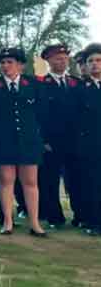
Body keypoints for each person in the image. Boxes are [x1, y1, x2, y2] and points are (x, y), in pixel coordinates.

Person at [0, 48, 48, 237]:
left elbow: (43, 113)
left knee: (30, 182)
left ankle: (34, 223)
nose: (5, 66)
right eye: (2, 62)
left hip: (28, 141)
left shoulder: (33, 85)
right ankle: (8, 221)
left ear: (20, 65)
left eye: (10, 62)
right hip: (3, 142)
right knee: (5, 181)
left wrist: (39, 136)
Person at [36, 43, 82, 228]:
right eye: (57, 58)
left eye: (64, 58)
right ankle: (55, 217)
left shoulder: (76, 84)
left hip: (75, 141)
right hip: (51, 142)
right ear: (48, 61)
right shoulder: (41, 85)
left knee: (77, 180)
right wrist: (43, 140)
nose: (62, 62)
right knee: (50, 182)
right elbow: (39, 116)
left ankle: (81, 215)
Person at [73, 43, 101, 236]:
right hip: (90, 144)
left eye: (99, 60)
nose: (95, 64)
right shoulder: (81, 89)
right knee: (92, 184)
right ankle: (93, 221)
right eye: (90, 61)